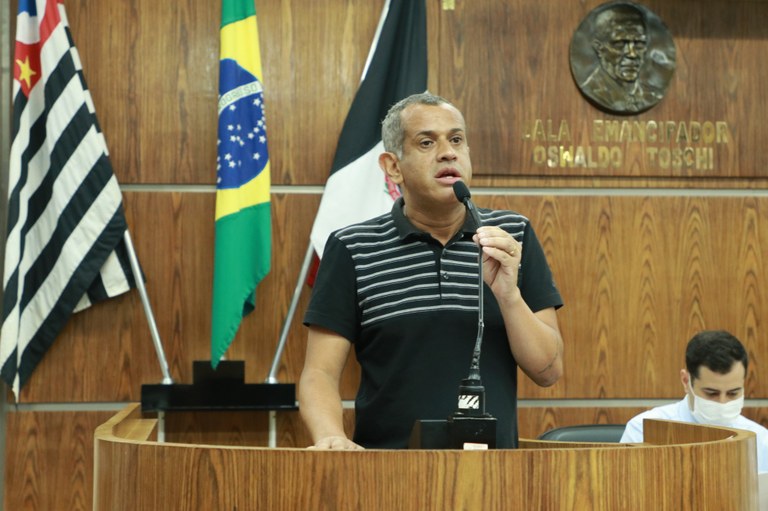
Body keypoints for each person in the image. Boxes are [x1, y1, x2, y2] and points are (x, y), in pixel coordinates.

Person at [298, 92, 564, 449]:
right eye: (427, 142)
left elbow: (548, 371)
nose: (448, 153)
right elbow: (319, 374)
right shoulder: (353, 247)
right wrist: (331, 437)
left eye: (456, 140)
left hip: (493, 471)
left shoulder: (511, 237)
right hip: (388, 469)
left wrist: (508, 295)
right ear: (393, 167)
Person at [621, 330, 768, 473]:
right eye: (711, 393)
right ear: (686, 381)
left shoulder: (761, 440)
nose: (722, 402)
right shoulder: (642, 431)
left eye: (733, 393)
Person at [579, 3, 663, 113]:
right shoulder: (591, 90)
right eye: (620, 44)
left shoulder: (652, 95)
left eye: (639, 44)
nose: (632, 54)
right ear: (599, 48)